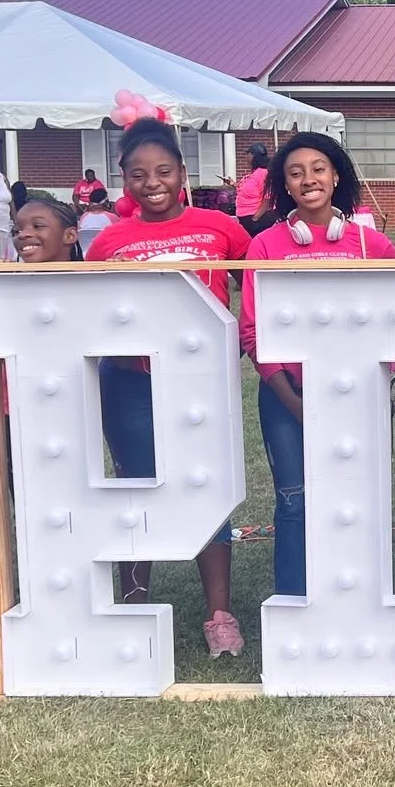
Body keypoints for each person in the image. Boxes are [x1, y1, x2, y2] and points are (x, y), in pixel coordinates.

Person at [86, 119, 254, 653]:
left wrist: (244, 341)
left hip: (201, 384)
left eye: (163, 171)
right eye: (138, 174)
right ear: (124, 179)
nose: (151, 182)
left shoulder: (219, 226)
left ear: (182, 173)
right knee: (135, 487)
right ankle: (135, 608)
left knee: (209, 488)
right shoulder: (110, 240)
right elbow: (89, 311)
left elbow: (255, 282)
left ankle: (219, 614)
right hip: (131, 384)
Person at [240, 132, 395, 599]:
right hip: (288, 394)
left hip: (356, 394)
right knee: (295, 501)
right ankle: (295, 603)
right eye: (295, 172)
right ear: (284, 186)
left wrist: (380, 377)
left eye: (318, 168)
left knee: (357, 498)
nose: (308, 178)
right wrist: (291, 399)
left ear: (335, 176)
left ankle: (359, 595)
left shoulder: (372, 246)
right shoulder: (266, 246)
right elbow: (253, 331)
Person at [233, 143, 271, 233]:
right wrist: (232, 184)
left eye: (249, 154)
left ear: (254, 156)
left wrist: (256, 217)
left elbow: (268, 198)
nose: (247, 157)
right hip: (244, 218)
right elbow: (243, 190)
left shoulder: (263, 173)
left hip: (254, 219)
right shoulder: (252, 174)